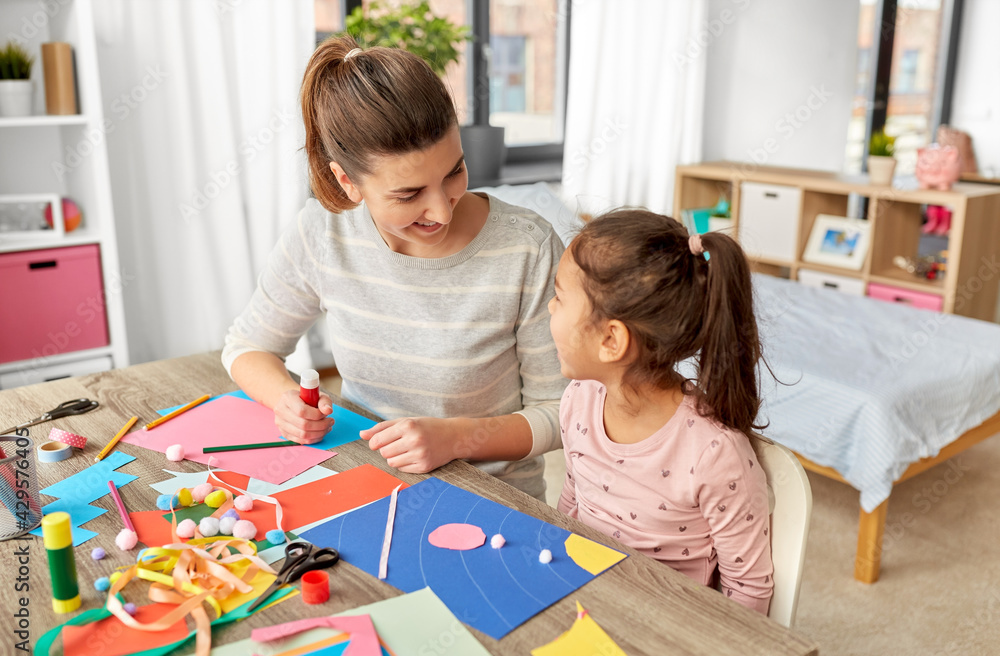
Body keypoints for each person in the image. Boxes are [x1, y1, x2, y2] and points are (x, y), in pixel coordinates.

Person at [222, 35, 566, 501]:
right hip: (363, 489)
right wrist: (286, 401)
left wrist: (457, 439)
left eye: (454, 173)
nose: (442, 212)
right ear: (347, 181)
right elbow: (248, 347)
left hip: (494, 505)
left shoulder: (527, 247)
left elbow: (564, 413)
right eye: (408, 195)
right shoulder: (324, 232)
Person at [551, 209, 773, 613]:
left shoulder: (713, 453)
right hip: (580, 599)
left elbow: (749, 591)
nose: (550, 308)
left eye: (559, 298)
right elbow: (573, 502)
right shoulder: (578, 399)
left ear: (611, 340)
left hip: (665, 624)